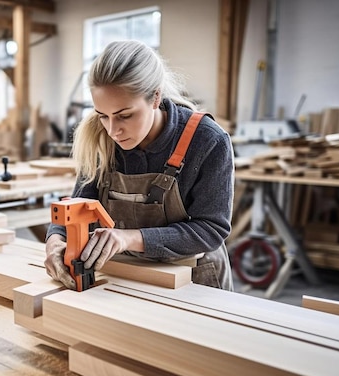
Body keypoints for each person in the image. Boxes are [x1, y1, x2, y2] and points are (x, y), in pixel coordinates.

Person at [44, 40, 234, 291]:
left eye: (125, 115)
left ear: (155, 97)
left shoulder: (208, 140)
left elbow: (210, 229)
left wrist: (128, 238)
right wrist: (56, 241)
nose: (113, 130)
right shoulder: (101, 138)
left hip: (194, 278)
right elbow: (77, 208)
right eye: (102, 115)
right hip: (126, 275)